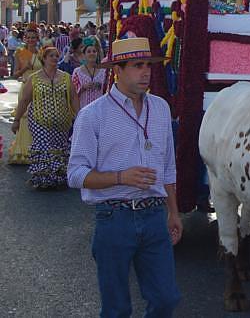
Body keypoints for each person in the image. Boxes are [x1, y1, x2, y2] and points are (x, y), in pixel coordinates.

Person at [67, 37, 182, 317]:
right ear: (117, 70)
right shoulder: (93, 115)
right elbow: (75, 174)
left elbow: (167, 167)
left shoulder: (161, 108)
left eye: (149, 65)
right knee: (116, 308)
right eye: (137, 65)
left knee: (166, 299)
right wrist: (121, 177)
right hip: (113, 217)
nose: (146, 72)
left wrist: (174, 212)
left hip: (154, 215)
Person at [11, 47, 80, 189]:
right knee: (44, 147)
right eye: (51, 56)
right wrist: (17, 120)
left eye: (56, 56)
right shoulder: (34, 78)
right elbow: (24, 100)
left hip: (62, 121)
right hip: (39, 120)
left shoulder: (66, 77)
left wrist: (80, 117)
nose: (54, 58)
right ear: (44, 58)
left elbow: (73, 98)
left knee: (59, 148)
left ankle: (58, 178)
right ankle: (44, 179)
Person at [8, 28, 41, 165]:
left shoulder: (41, 53)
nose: (31, 40)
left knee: (39, 118)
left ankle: (38, 149)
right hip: (26, 87)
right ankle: (24, 150)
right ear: (24, 39)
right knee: (25, 118)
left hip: (40, 89)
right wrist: (25, 68)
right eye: (28, 37)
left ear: (37, 39)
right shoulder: (19, 53)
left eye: (33, 37)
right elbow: (15, 75)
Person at [72, 37, 107, 109]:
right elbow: (73, 94)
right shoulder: (77, 72)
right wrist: (83, 87)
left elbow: (107, 92)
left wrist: (101, 86)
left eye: (94, 51)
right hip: (83, 109)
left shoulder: (103, 72)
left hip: (99, 109)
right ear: (84, 55)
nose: (92, 53)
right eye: (89, 51)